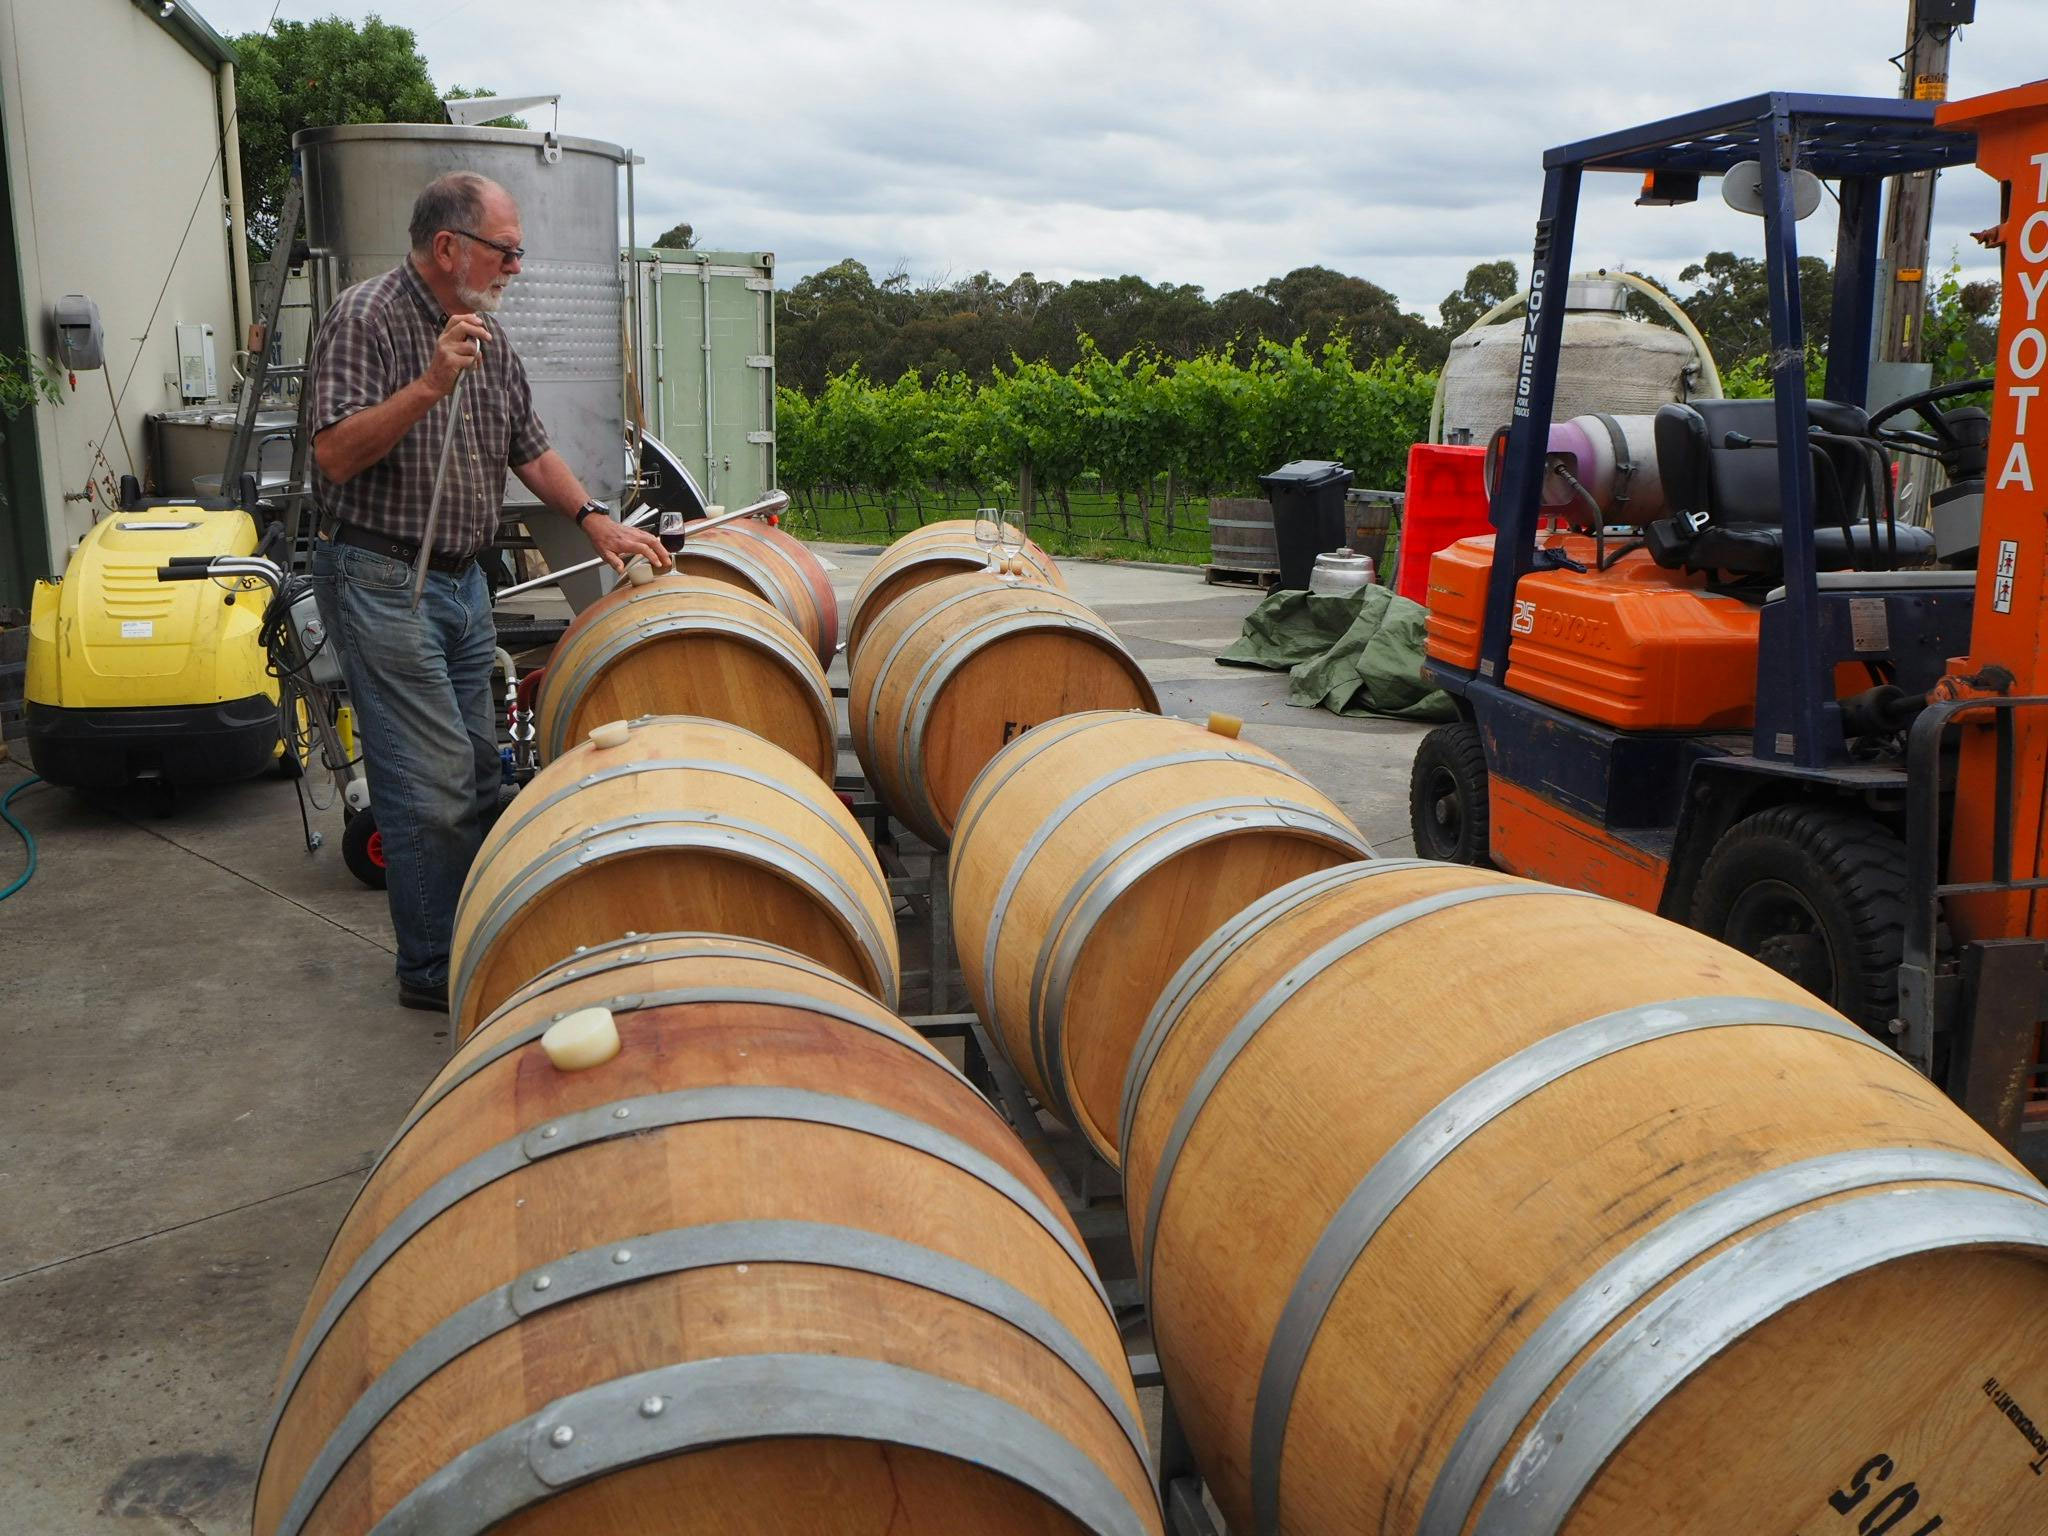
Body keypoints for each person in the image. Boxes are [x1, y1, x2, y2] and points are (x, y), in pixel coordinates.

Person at [308, 171, 670, 1013]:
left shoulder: (489, 338)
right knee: (425, 784)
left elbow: (529, 447)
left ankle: (478, 935)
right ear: (450, 247)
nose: (516, 266)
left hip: (466, 580)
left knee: (477, 773)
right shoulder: (366, 318)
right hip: (382, 574)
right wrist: (429, 385)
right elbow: (333, 455)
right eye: (506, 250)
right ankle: (435, 971)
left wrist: (595, 520)